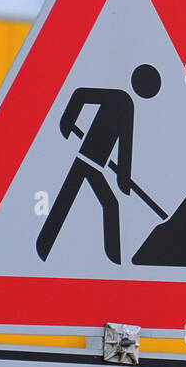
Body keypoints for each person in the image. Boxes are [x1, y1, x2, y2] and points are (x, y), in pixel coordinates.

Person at [36, 64, 161, 264]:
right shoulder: (120, 99)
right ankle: (113, 261)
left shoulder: (127, 104)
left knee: (75, 200)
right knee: (102, 203)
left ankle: (44, 246)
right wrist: (67, 121)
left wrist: (123, 178)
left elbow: (124, 146)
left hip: (94, 164)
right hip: (87, 159)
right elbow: (81, 95)